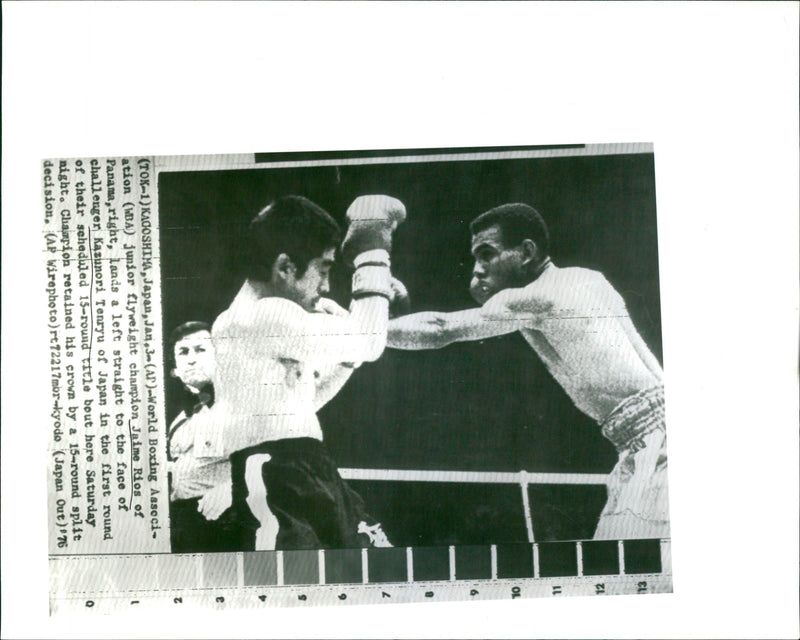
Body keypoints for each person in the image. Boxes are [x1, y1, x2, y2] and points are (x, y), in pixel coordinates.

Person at [387, 203, 668, 540]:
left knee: (631, 570)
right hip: (647, 439)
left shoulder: (539, 297)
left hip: (657, 447)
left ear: (526, 252)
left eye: (486, 255)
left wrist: (365, 326)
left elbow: (441, 328)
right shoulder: (586, 279)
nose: (477, 270)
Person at [189, 194, 405, 550]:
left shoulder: (264, 320)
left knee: (380, 570)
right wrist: (373, 255)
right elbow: (368, 341)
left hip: (311, 466)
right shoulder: (262, 315)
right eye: (323, 268)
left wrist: (362, 328)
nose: (325, 285)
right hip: (273, 479)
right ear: (286, 267)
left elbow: (304, 406)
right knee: (303, 584)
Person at [167, 321, 250, 552]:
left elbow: (269, 454)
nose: (191, 359)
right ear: (175, 367)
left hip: (225, 520)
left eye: (200, 350)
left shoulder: (241, 403)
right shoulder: (181, 419)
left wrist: (233, 490)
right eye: (183, 352)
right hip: (182, 523)